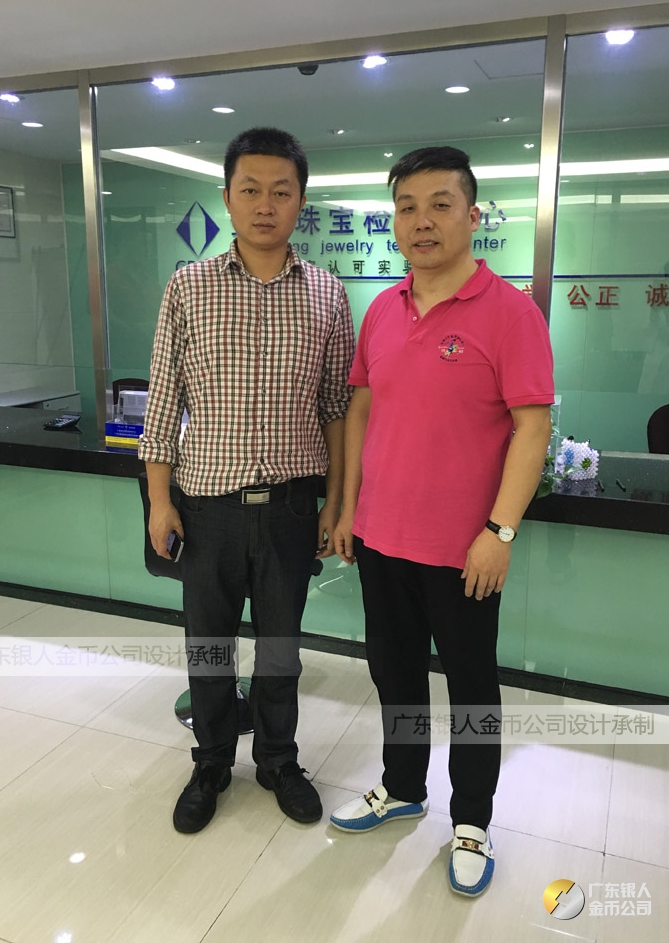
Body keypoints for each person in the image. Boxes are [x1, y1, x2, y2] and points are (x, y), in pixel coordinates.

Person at [330, 146, 554, 896]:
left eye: (440, 204)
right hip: (381, 538)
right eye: (407, 207)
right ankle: (402, 786)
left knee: (472, 688)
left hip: (464, 551)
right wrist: (350, 508)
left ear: (472, 215)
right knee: (393, 673)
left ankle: (473, 821)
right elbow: (362, 409)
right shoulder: (382, 310)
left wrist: (501, 531)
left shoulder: (511, 313)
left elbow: (532, 429)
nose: (421, 221)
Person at [139, 127, 355, 834]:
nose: (266, 205)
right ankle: (210, 764)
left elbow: (336, 409)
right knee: (208, 647)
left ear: (300, 201)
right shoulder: (188, 287)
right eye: (251, 190)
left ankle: (278, 760)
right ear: (228, 197)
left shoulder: (327, 294)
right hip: (207, 507)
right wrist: (160, 501)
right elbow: (163, 404)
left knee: (282, 648)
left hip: (291, 506)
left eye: (281, 192)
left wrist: (335, 503)